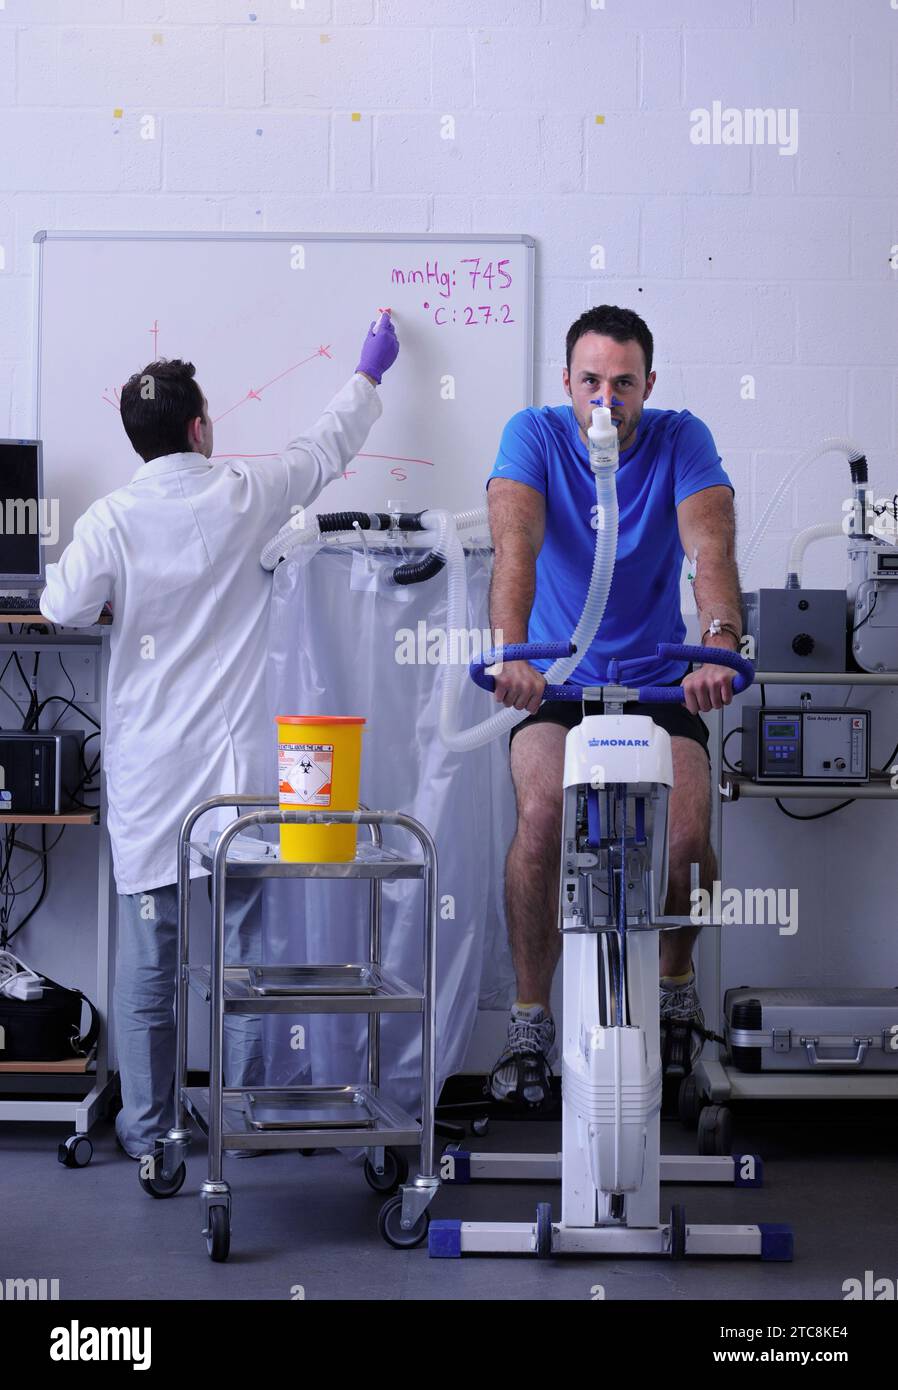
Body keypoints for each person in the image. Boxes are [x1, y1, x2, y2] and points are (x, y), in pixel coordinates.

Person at [39, 315, 400, 1157]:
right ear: (200, 427)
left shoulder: (112, 519)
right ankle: (237, 1113)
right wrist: (368, 375)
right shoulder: (245, 492)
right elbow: (321, 452)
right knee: (247, 957)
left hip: (151, 775)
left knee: (151, 960)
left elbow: (56, 608)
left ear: (138, 439)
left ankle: (150, 1127)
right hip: (235, 775)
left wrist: (112, 604)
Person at [485, 304, 741, 1105]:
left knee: (689, 830)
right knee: (540, 819)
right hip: (556, 682)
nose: (607, 399)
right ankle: (530, 1015)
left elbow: (710, 547)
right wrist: (512, 653)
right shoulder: (532, 434)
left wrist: (721, 641)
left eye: (623, 383)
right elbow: (515, 546)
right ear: (566, 381)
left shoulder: (680, 438)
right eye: (591, 381)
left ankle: (674, 985)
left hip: (662, 680)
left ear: (648, 385)